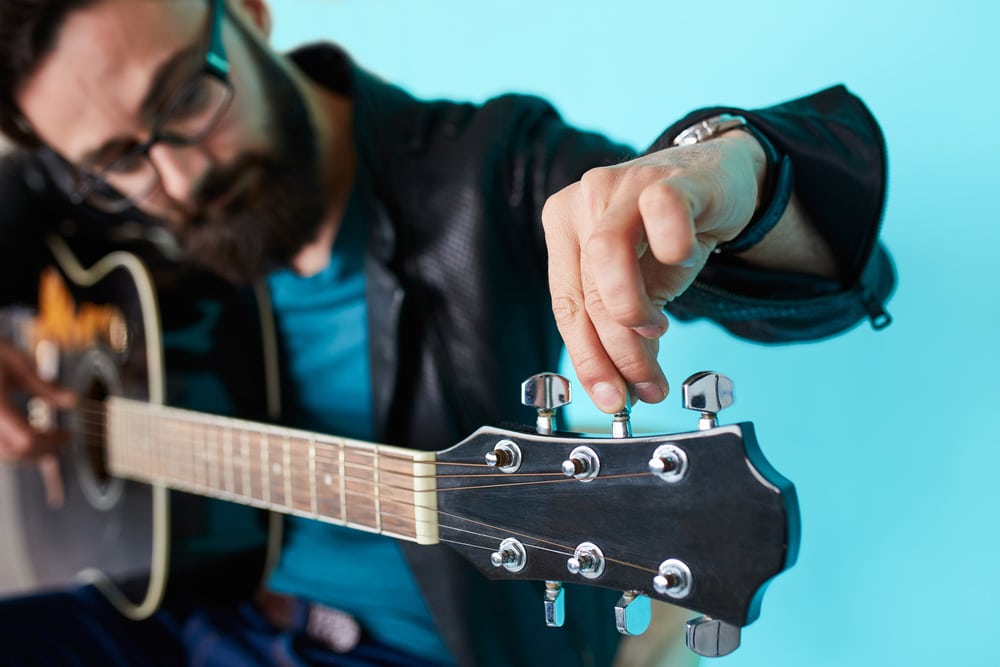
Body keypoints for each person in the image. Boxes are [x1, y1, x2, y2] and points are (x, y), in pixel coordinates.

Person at [0, 0, 894, 665]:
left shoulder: (488, 172)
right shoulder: (95, 202)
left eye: (189, 94)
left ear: (247, 13)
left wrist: (732, 168)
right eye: (119, 160)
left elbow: (832, 280)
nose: (180, 175)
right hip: (185, 613)